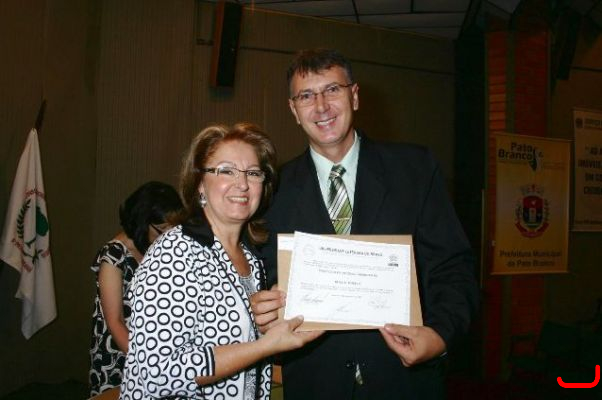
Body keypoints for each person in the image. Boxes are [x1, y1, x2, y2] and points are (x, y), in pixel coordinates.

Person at [251, 48, 479, 399]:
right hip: (315, 385)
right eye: (306, 96)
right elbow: (260, 277)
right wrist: (263, 306)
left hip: (404, 382)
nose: (321, 106)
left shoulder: (415, 170)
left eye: (332, 90)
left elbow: (453, 265)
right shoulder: (271, 190)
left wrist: (439, 336)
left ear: (354, 96)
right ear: (293, 110)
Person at [120, 123, 322, 400]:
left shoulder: (250, 257)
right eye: (226, 171)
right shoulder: (174, 254)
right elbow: (157, 373)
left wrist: (272, 320)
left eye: (253, 173)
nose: (242, 184)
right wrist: (264, 345)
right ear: (200, 183)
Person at [89, 181, 183, 397]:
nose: (169, 237)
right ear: (142, 221)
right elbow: (115, 321)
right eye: (162, 230)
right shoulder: (113, 255)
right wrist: (145, 366)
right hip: (120, 355)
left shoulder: (154, 249)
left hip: (152, 353)